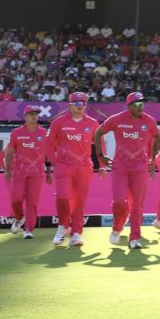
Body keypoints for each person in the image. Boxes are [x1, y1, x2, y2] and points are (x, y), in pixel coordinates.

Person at [94, 92, 159, 250]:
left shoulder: (149, 120)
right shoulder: (117, 119)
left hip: (140, 167)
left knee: (137, 204)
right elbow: (98, 133)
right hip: (120, 167)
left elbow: (157, 137)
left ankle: (134, 238)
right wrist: (101, 156)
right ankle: (117, 227)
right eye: (136, 104)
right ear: (128, 106)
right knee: (119, 201)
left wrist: (152, 159)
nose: (140, 107)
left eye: (142, 104)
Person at [47, 92, 100, 247]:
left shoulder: (93, 123)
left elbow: (99, 144)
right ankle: (63, 226)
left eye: (83, 103)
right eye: (77, 103)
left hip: (84, 167)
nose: (80, 106)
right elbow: (48, 144)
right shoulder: (58, 122)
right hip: (64, 166)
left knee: (79, 201)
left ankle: (76, 233)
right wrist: (55, 162)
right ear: (70, 105)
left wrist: (102, 165)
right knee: (63, 197)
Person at [4, 105, 51, 239]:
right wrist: (7, 169)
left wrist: (48, 172)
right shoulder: (16, 133)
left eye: (36, 113)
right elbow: (10, 152)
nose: (34, 116)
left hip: (37, 173)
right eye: (31, 113)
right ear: (25, 116)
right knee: (16, 199)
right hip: (19, 172)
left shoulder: (43, 133)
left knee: (32, 202)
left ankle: (28, 229)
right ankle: (19, 218)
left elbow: (47, 154)